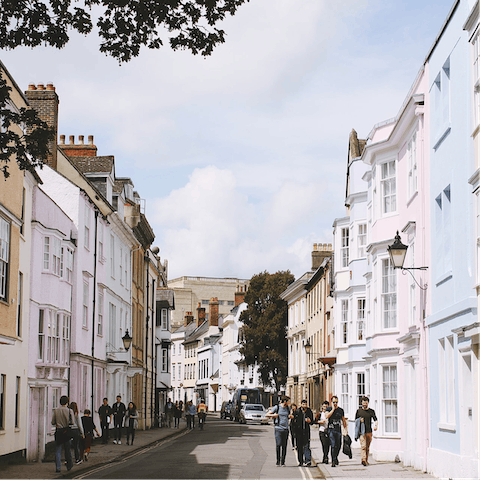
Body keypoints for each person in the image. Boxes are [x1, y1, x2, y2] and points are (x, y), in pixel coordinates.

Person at [265, 395, 290, 467]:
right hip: (278, 428)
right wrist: (274, 415)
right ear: (284, 401)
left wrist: (290, 417)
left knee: (284, 446)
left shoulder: (288, 408)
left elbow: (290, 415)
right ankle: (278, 461)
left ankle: (283, 462)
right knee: (278, 445)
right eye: (288, 401)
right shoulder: (277, 407)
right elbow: (267, 414)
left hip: (286, 429)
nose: (289, 403)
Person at [51, 395, 73, 473]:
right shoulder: (70, 411)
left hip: (59, 431)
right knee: (67, 450)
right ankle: (69, 466)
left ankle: (58, 467)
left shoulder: (56, 411)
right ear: (67, 402)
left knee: (58, 450)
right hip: (66, 431)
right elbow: (72, 422)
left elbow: (53, 422)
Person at [355, 396, 378, 466]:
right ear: (361, 403)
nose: (364, 403)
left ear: (368, 402)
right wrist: (359, 420)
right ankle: (363, 460)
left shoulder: (371, 411)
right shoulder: (359, 411)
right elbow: (355, 421)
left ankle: (366, 460)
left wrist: (376, 426)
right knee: (363, 446)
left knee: (367, 447)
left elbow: (375, 420)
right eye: (363, 401)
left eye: (366, 401)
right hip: (362, 432)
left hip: (369, 431)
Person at [325, 395, 347, 467]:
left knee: (339, 445)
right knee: (333, 445)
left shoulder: (340, 410)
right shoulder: (328, 409)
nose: (335, 403)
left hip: (338, 430)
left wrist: (345, 430)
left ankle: (336, 457)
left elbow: (343, 420)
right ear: (331, 402)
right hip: (331, 429)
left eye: (336, 402)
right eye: (334, 402)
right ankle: (333, 460)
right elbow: (327, 416)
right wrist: (333, 409)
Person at [292, 399, 313, 467]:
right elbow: (293, 421)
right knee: (299, 447)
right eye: (303, 404)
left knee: (307, 446)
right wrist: (294, 432)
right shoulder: (297, 411)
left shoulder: (309, 411)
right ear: (301, 405)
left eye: (305, 404)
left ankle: (308, 461)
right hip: (299, 432)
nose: (304, 406)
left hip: (306, 432)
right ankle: (300, 461)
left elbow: (312, 421)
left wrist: (310, 421)